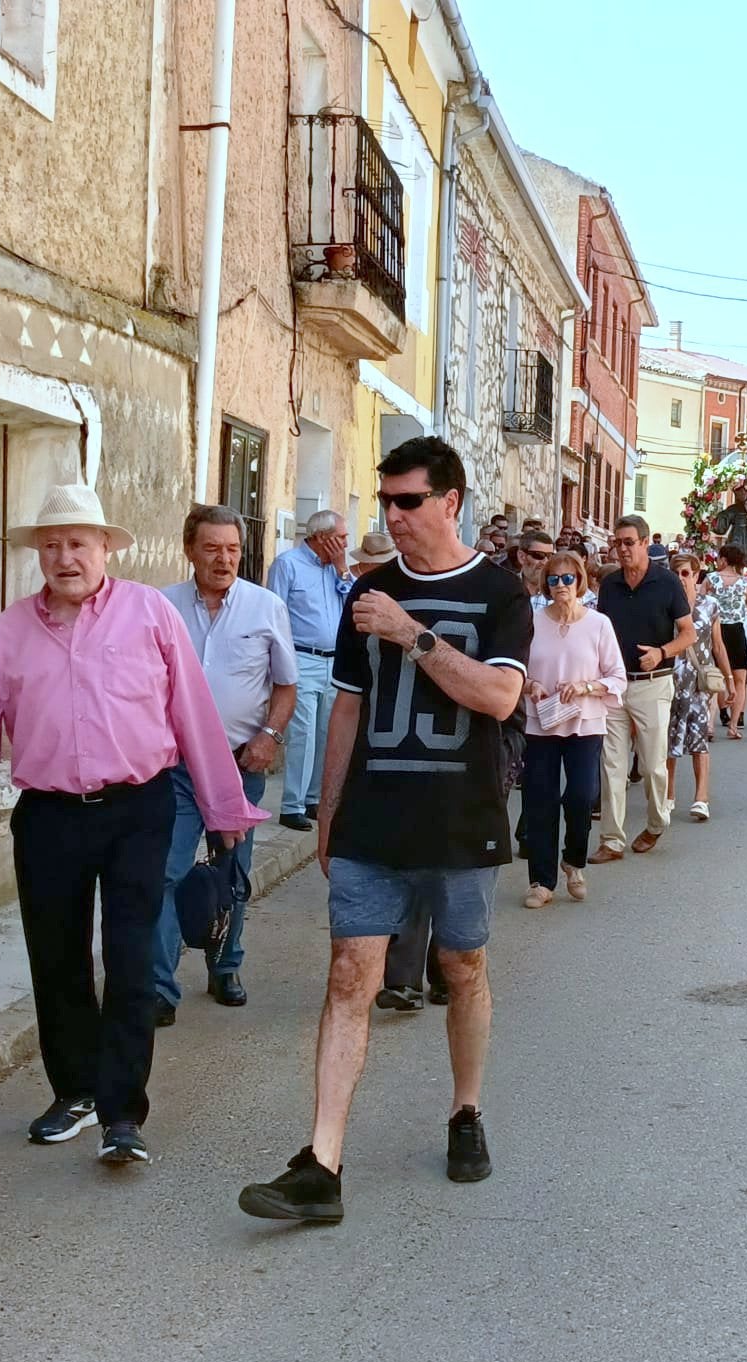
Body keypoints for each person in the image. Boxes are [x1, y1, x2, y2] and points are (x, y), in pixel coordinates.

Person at [239, 436, 533, 1223]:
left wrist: (411, 633)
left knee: (462, 967)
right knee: (347, 977)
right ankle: (322, 1163)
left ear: (449, 502)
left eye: (407, 501)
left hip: (462, 821)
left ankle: (466, 1111)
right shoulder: (365, 591)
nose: (393, 516)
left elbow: (500, 700)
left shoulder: (500, 593)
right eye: (386, 501)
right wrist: (327, 814)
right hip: (374, 821)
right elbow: (346, 707)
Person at [0, 485, 265, 1166]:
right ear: (39, 555)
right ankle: (76, 1091)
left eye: (78, 542)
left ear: (106, 549)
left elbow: (193, 715)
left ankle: (123, 1112)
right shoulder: (9, 631)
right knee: (55, 958)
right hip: (50, 814)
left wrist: (223, 806)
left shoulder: (147, 614)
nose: (65, 557)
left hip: (138, 809)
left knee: (131, 957)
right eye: (52, 545)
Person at [152, 505, 297, 1023]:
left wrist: (270, 735)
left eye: (232, 549)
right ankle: (159, 986)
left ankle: (225, 965)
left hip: (240, 765)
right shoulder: (161, 605)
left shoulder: (265, 607)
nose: (223, 558)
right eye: (212, 548)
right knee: (165, 873)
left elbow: (286, 684)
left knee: (231, 873)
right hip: (177, 769)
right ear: (190, 550)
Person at [520, 549, 624, 908]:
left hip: (585, 721)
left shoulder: (599, 624)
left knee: (581, 796)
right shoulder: (531, 620)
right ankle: (541, 880)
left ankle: (573, 861)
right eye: (553, 579)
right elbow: (515, 669)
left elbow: (617, 677)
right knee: (539, 800)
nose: (561, 585)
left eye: (568, 579)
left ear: (580, 582)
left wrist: (585, 687)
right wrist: (530, 684)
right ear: (546, 584)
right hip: (541, 722)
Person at [590, 514, 696, 863]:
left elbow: (688, 633)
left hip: (653, 683)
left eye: (628, 542)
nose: (621, 549)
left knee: (652, 765)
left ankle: (655, 823)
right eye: (617, 543)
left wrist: (662, 652)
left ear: (645, 543)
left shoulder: (666, 583)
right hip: (614, 686)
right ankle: (612, 840)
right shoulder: (610, 585)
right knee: (612, 766)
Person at [266, 509, 353, 831]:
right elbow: (274, 615)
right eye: (341, 538)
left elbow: (354, 603)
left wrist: (342, 570)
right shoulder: (288, 565)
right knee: (303, 732)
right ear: (321, 538)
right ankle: (292, 804)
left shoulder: (337, 571)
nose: (345, 543)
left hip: (334, 660)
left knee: (327, 731)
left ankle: (314, 798)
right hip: (302, 658)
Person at [668, 553, 732, 822]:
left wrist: (729, 681)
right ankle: (668, 795)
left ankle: (701, 798)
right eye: (676, 573)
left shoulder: (710, 605)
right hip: (670, 680)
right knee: (668, 741)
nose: (681, 579)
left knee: (699, 740)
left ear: (697, 575)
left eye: (686, 573)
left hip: (698, 683)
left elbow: (717, 645)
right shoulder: (666, 604)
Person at [705, 544, 747, 736]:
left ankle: (709, 725)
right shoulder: (746, 584)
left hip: (715, 630)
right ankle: (733, 726)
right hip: (736, 631)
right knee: (740, 680)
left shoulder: (710, 579)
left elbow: (700, 604)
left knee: (713, 677)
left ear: (724, 560)